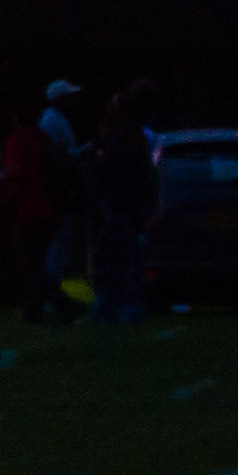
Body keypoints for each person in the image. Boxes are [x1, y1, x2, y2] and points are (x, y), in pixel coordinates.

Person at [4, 86, 82, 321]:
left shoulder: (18, 141)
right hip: (47, 209)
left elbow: (16, 176)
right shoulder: (43, 138)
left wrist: (9, 205)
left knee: (30, 264)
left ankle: (59, 304)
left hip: (27, 210)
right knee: (36, 262)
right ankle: (38, 308)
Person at [85, 93, 158, 328]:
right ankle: (116, 306)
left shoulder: (127, 139)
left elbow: (114, 172)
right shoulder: (130, 138)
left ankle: (119, 307)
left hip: (122, 209)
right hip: (123, 208)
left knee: (117, 260)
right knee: (120, 259)